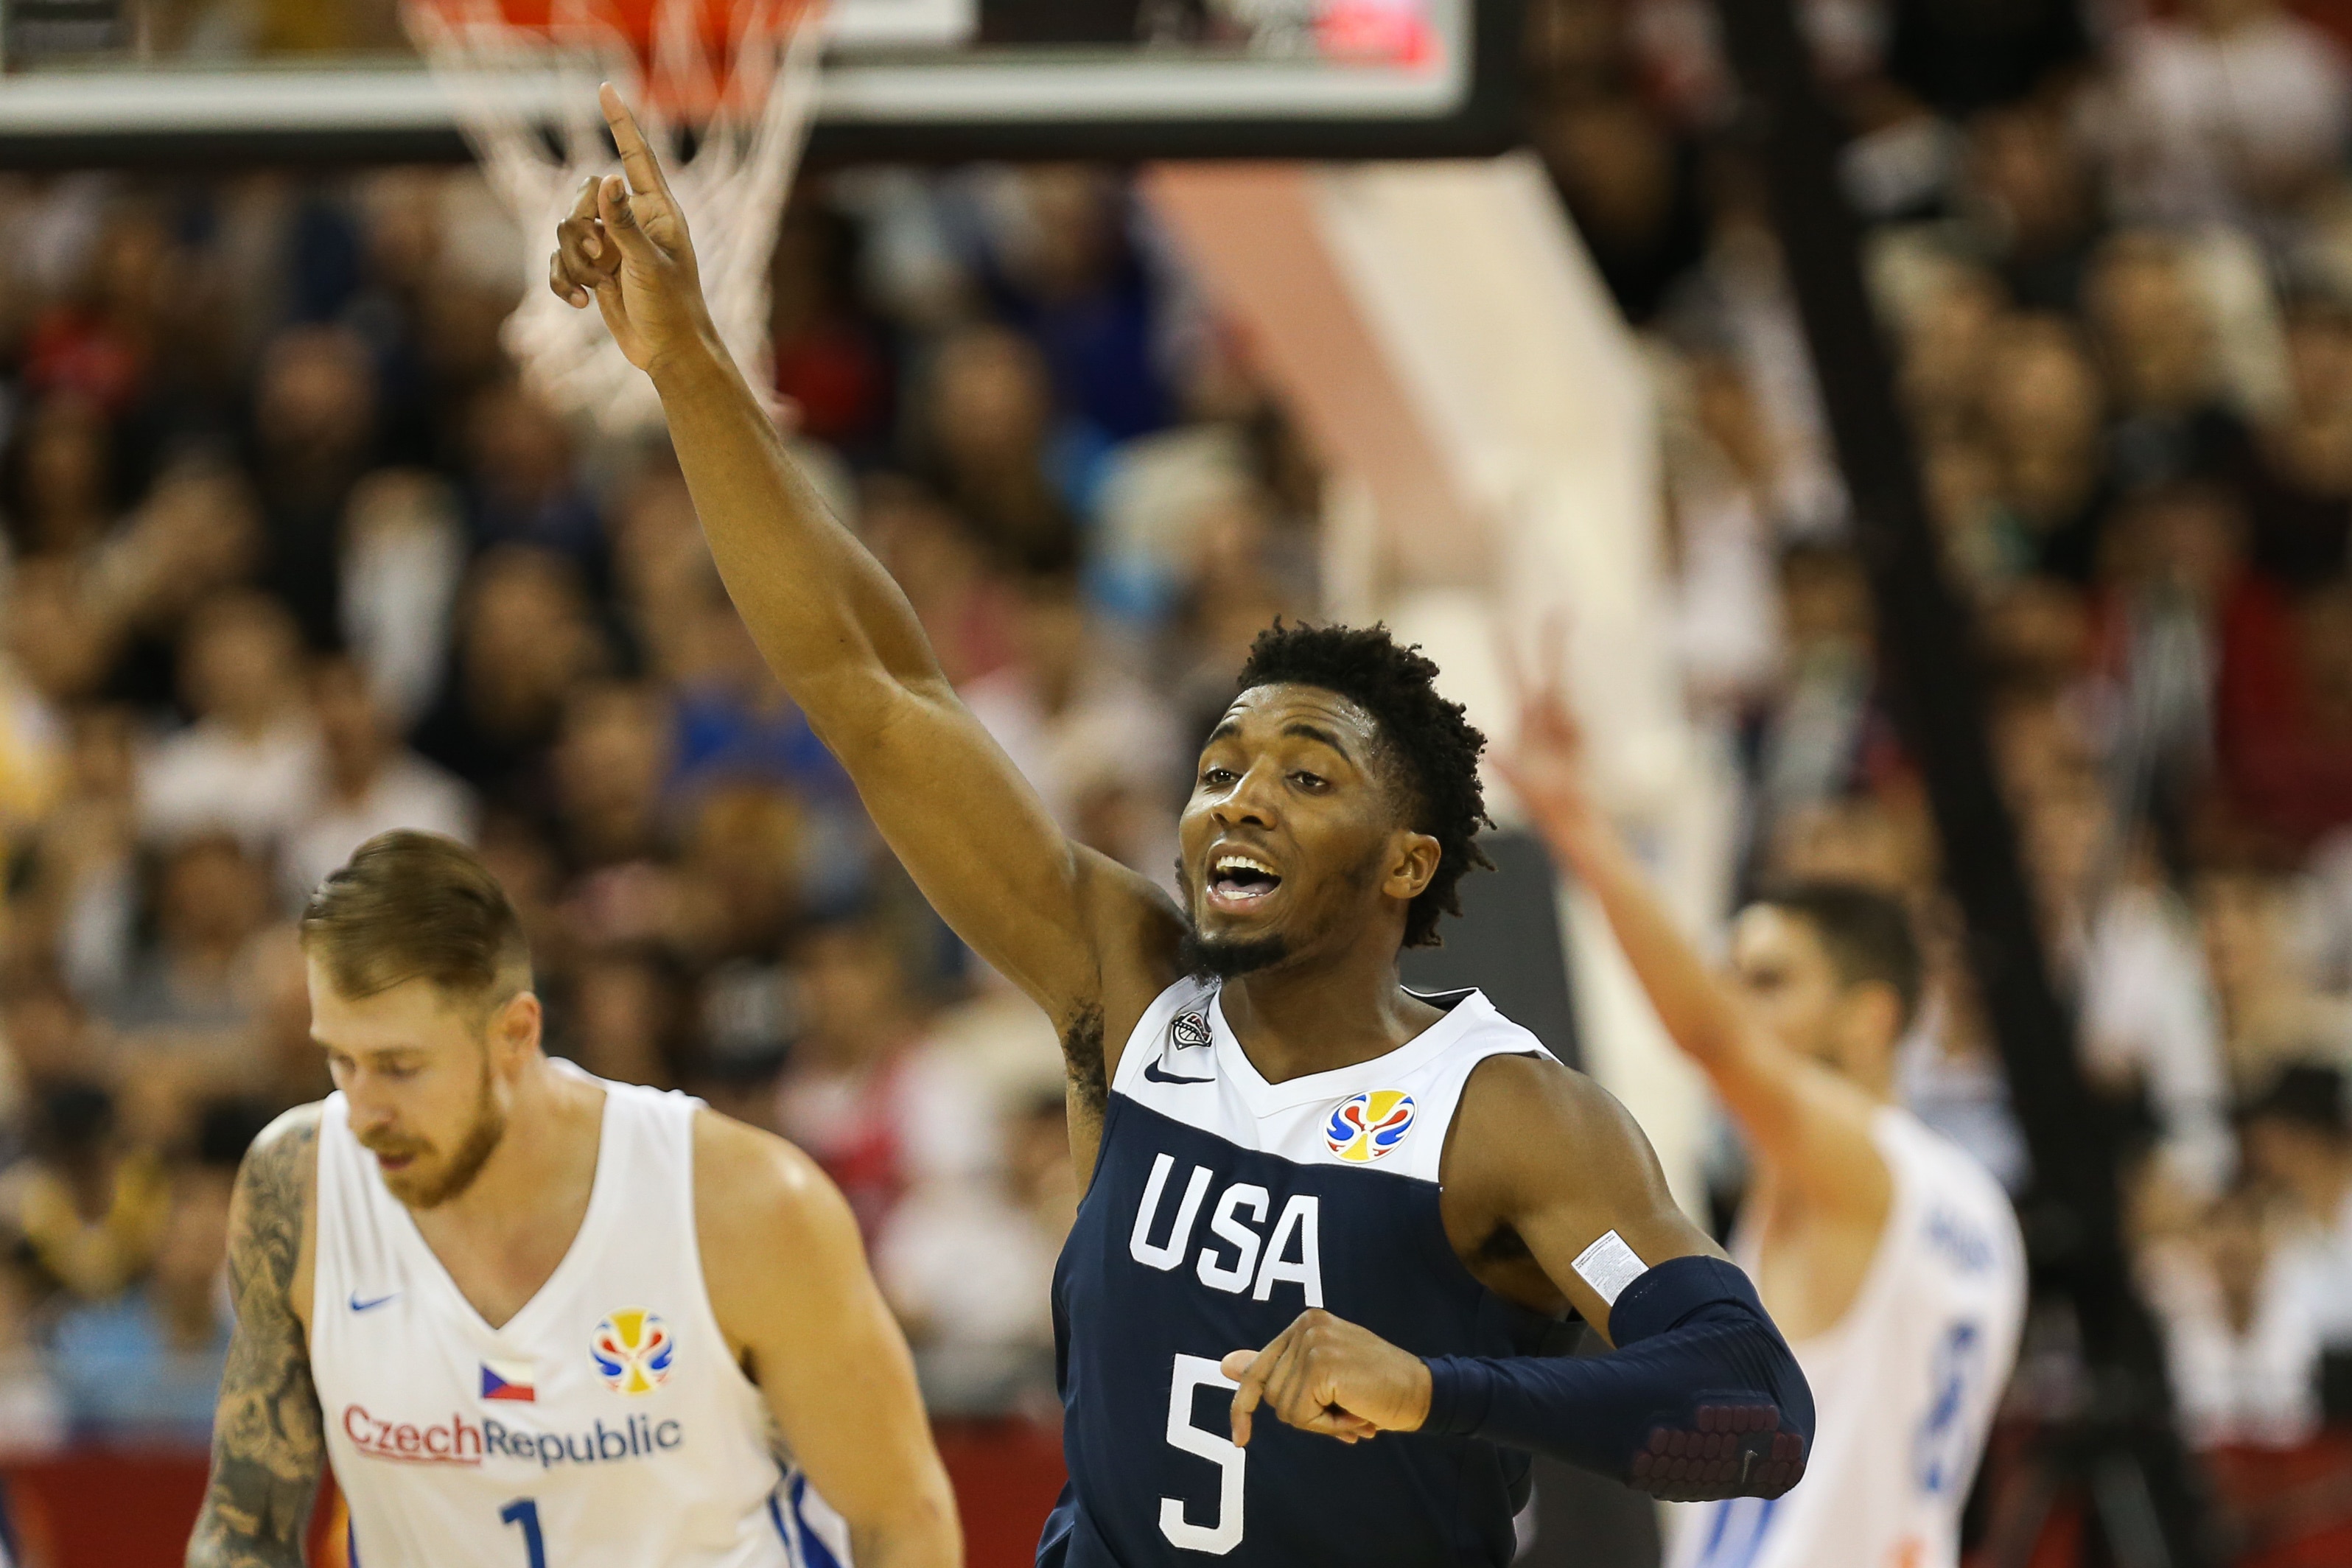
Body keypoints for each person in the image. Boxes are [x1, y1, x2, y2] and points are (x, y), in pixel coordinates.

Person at [549, 85, 1815, 1568]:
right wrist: (692, 364)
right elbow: (874, 685)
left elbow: (1750, 1413)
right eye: (1222, 760)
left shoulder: (1506, 1117)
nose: (1240, 793)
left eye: (1307, 772)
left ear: (1408, 863)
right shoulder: (1129, 987)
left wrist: (1438, 1386)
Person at [185, 830, 959, 1567]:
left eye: (400, 1066)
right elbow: (243, 1523)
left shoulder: (745, 1202)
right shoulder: (299, 1183)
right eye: (341, 1060)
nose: (363, 1110)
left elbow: (902, 1520)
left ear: (515, 1034)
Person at [1497, 657, 2028, 1568]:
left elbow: (1709, 1036)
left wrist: (1574, 820)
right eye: (1731, 975)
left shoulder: (1865, 1171)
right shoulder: (1976, 1208)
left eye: (1770, 982)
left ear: (1871, 1018)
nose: (1738, 1007)